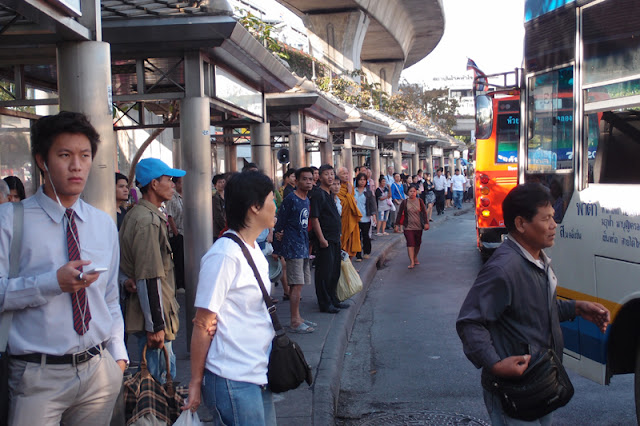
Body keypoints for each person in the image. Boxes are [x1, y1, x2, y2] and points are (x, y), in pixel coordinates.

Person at [0, 111, 127, 424]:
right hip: (37, 376)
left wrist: (119, 355)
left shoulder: (103, 224)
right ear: (42, 160)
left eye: (84, 155)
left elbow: (110, 297)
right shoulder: (11, 221)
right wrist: (50, 283)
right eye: (65, 155)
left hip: (98, 372)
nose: (77, 165)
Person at [456, 183, 610, 425]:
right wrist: (496, 364)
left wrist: (577, 308)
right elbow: (470, 322)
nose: (553, 225)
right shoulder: (504, 268)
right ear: (521, 224)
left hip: (539, 381)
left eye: (553, 217)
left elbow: (532, 310)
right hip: (514, 393)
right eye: (546, 218)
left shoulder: (535, 258)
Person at [183, 171, 277, 425]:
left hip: (256, 372)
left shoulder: (253, 248)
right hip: (232, 378)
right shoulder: (224, 255)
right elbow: (203, 323)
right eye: (271, 199)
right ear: (255, 207)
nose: (275, 205)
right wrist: (195, 382)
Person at [119, 158, 185, 383]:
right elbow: (149, 276)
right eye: (169, 179)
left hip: (155, 313)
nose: (173, 185)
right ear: (154, 184)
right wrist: (155, 325)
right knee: (160, 384)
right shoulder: (147, 221)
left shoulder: (143, 215)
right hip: (156, 319)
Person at [274, 167, 316, 333]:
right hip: (293, 247)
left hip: (303, 246)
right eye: (304, 179)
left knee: (299, 285)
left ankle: (298, 317)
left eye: (311, 179)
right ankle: (294, 321)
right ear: (296, 181)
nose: (308, 182)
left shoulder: (306, 199)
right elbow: (280, 224)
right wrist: (277, 249)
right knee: (296, 285)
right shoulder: (290, 199)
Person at [310, 165, 349, 313]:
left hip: (334, 238)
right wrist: (321, 239)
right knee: (324, 273)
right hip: (325, 240)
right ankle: (325, 303)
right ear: (319, 177)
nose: (330, 177)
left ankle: (333, 299)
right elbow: (315, 219)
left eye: (332, 174)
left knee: (334, 271)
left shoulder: (330, 194)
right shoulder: (318, 194)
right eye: (326, 174)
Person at [395, 185, 429, 269]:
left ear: (416, 192)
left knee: (417, 243)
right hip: (408, 227)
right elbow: (399, 213)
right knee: (410, 243)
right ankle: (412, 261)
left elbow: (424, 213)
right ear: (407, 192)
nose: (412, 193)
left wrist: (426, 223)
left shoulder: (420, 201)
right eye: (410, 191)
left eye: (414, 191)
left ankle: (415, 256)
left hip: (418, 226)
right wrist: (397, 224)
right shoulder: (405, 202)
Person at [336, 166, 362, 258]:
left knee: (351, 245)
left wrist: (351, 196)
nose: (346, 176)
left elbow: (353, 202)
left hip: (351, 219)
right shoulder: (337, 187)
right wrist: (350, 195)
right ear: (338, 176)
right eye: (344, 174)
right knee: (343, 243)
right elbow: (342, 204)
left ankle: (349, 267)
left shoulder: (349, 186)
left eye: (347, 173)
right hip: (343, 220)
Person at [166, 176, 185, 290]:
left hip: (186, 233)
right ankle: (179, 284)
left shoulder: (186, 196)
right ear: (176, 184)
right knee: (179, 259)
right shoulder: (172, 197)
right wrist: (176, 233)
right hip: (178, 233)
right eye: (181, 183)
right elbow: (170, 216)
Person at [354, 172, 376, 261]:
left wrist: (374, 215)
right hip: (355, 217)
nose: (362, 182)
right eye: (360, 180)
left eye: (364, 180)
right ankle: (358, 254)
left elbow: (372, 204)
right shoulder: (353, 191)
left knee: (365, 235)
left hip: (365, 217)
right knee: (357, 236)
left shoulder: (368, 192)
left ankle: (367, 252)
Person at [212, 173, 226, 241]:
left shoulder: (227, 196)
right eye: (219, 182)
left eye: (223, 182)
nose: (222, 184)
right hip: (218, 231)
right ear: (215, 185)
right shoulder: (215, 198)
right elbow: (218, 215)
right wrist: (225, 227)